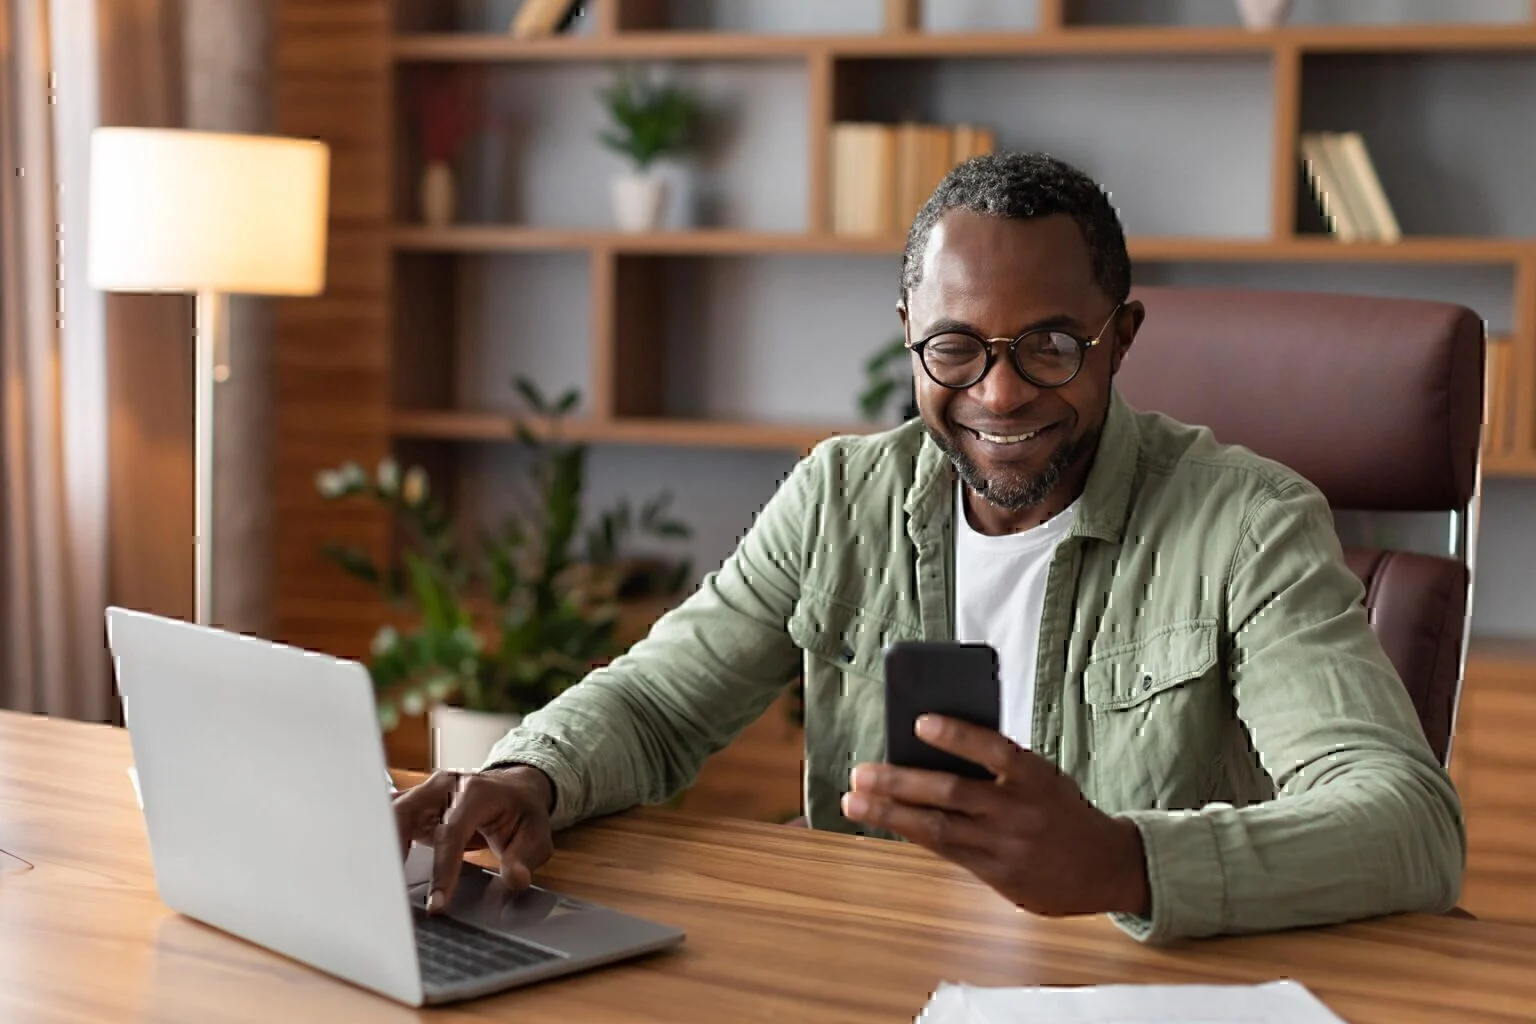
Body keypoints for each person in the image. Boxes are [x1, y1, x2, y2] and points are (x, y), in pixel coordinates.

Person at [394, 151, 1465, 943]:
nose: (998, 394)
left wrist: (1126, 860)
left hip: (1130, 997)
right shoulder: (839, 497)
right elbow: (660, 702)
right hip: (879, 978)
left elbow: (1407, 822)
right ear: (909, 329)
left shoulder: (1249, 524)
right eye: (954, 347)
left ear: (1120, 339)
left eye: (1049, 346)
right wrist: (529, 769)